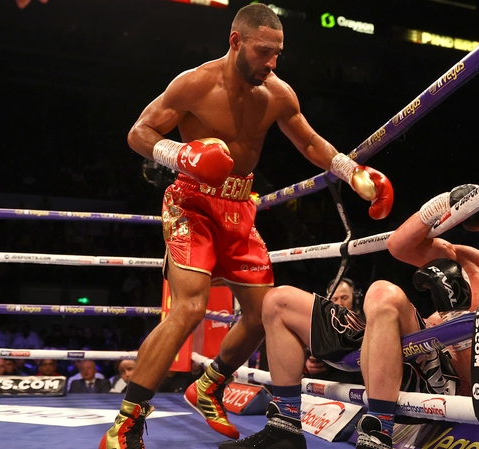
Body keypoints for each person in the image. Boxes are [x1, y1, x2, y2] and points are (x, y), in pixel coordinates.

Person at [100, 4, 394, 448]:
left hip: (239, 208)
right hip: (192, 203)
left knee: (263, 313)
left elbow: (308, 141)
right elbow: (138, 133)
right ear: (236, 41)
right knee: (190, 307)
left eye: (277, 53)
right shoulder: (194, 83)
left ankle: (209, 385)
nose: (271, 63)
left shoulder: (277, 94)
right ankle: (127, 423)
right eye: (263, 52)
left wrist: (352, 172)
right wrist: (181, 155)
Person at [225, 196, 479, 449]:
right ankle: (285, 427)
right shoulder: (477, 266)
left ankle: (376, 435)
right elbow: (399, 245)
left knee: (384, 292)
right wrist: (443, 203)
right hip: (395, 349)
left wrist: (456, 318)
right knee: (279, 300)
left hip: (441, 383)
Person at [304, 278, 365, 384]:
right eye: (335, 299)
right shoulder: (321, 325)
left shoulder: (365, 324)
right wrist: (307, 363)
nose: (339, 303)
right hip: (325, 385)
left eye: (344, 298)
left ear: (355, 299)